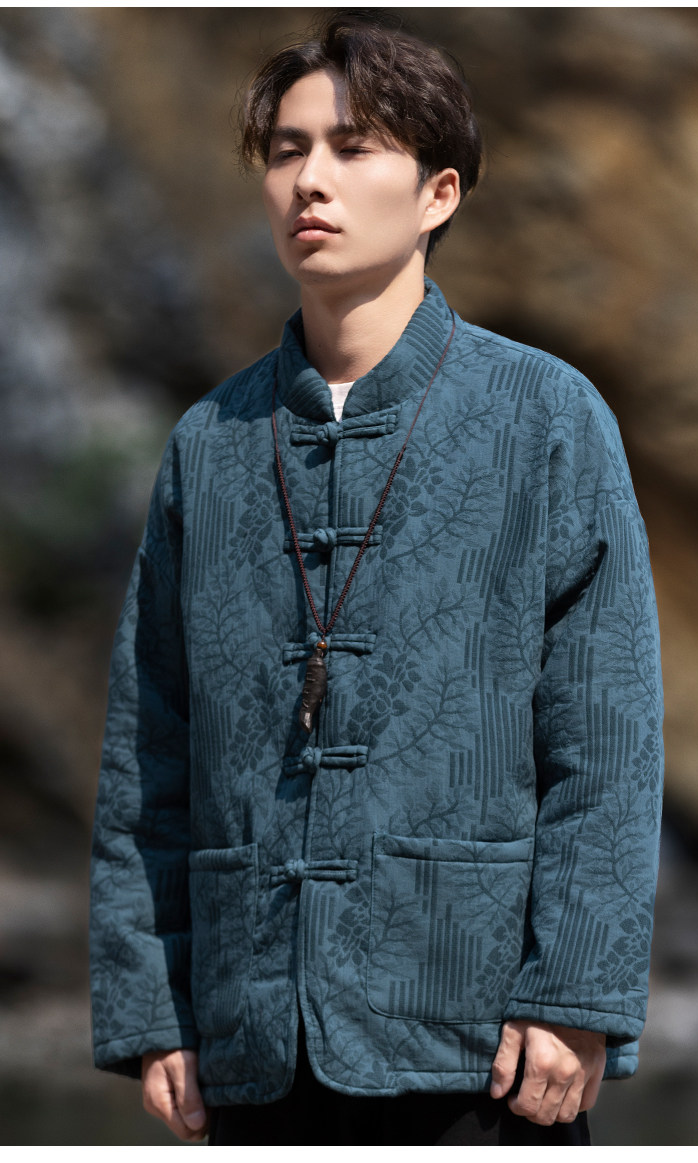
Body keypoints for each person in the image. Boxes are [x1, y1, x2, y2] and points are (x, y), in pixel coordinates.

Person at [89, 11, 663, 1147]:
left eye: (354, 149)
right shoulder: (211, 440)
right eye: (288, 150)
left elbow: (608, 735)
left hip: (483, 1044)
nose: (312, 179)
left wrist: (575, 995)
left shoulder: (546, 416)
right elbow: (149, 748)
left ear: (439, 193)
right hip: (252, 1042)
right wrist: (155, 1008)